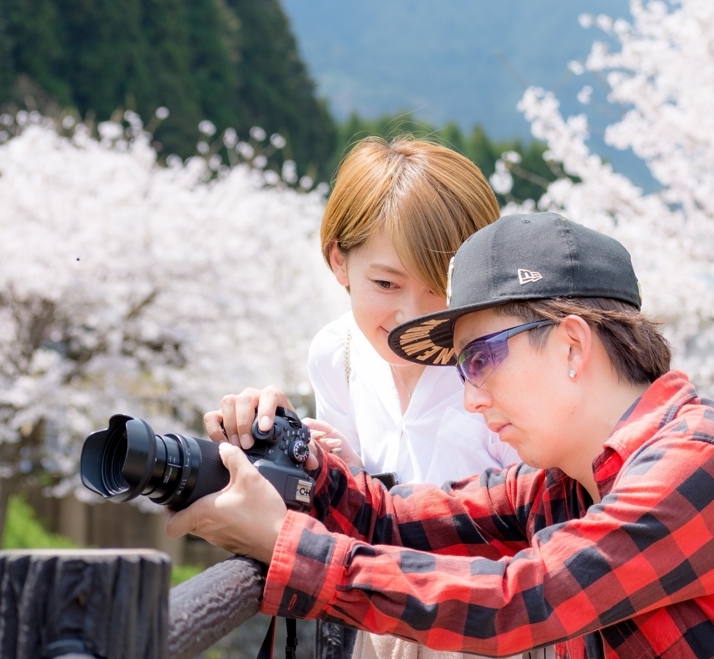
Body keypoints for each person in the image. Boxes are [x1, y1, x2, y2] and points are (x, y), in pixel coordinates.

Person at [169, 212, 714, 658]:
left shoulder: (701, 461)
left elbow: (517, 600)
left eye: (481, 359)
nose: (472, 396)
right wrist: (287, 460)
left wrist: (281, 544)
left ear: (570, 345)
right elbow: (391, 519)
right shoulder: (564, 481)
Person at [203, 136, 520, 659]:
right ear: (339, 264)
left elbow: (545, 527)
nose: (413, 316)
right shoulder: (337, 353)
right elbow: (353, 510)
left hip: (488, 629)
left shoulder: (502, 363)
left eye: (439, 287)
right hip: (379, 623)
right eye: (387, 285)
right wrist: (297, 450)